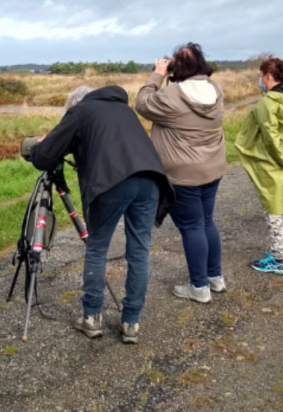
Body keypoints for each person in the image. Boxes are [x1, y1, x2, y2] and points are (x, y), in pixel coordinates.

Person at [28, 85, 174, 344]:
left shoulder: (80, 111)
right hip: (151, 178)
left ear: (73, 104)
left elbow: (43, 158)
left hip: (112, 183)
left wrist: (40, 146)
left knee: (97, 249)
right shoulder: (122, 109)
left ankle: (92, 317)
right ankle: (131, 322)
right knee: (139, 252)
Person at [135, 42, 226, 303]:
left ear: (178, 67)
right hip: (213, 166)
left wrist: (158, 74)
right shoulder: (215, 88)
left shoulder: (172, 95)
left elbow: (141, 104)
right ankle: (215, 277)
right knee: (207, 221)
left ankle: (199, 287)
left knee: (192, 226)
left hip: (183, 174)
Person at [235, 57, 283, 274]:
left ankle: (278, 259)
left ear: (268, 76)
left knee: (274, 209)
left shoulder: (268, 103)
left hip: (273, 163)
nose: (260, 80)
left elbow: (270, 137)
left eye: (262, 76)